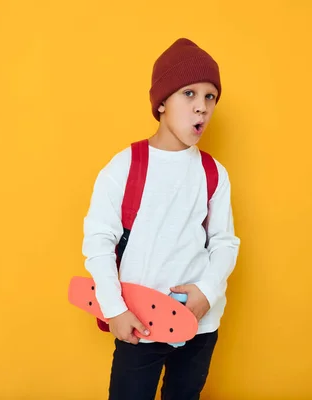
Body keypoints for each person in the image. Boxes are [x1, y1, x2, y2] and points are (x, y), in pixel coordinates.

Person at [82, 37, 240, 400]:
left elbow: (224, 242)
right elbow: (98, 242)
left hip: (200, 325)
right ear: (162, 103)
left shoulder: (213, 172)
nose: (201, 107)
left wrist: (206, 293)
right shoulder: (125, 166)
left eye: (210, 97)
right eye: (189, 94)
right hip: (139, 325)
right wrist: (115, 309)